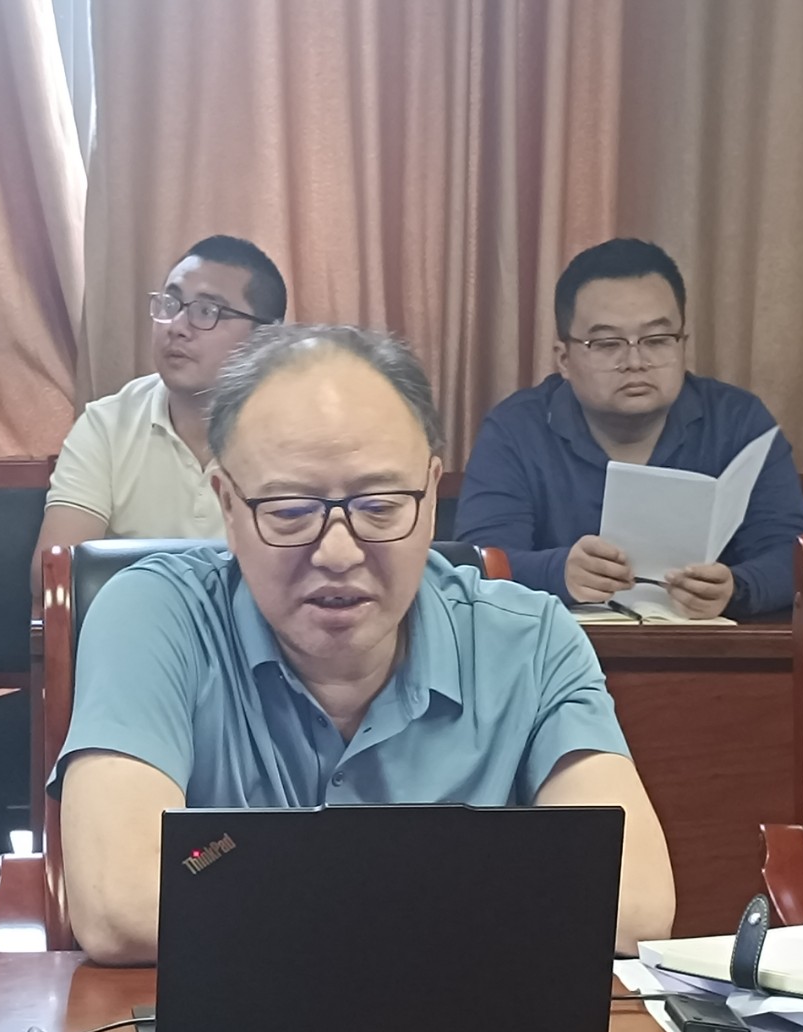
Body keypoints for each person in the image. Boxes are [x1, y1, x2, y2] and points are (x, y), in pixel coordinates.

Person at [51, 324, 676, 966]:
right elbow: (121, 905)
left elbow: (634, 905)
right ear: (228, 506)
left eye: (380, 506)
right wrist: (478, 897)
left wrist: (250, 899)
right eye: (290, 510)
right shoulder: (153, 616)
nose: (338, 553)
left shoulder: (531, 642)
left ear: (429, 497)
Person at [0, 235, 287, 949]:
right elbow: (57, 573)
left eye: (207, 311)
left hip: (259, 696)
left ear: (266, 338)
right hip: (113, 698)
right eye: (170, 304)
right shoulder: (110, 423)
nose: (177, 326)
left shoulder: (293, 433)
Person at [455, 239, 803, 619]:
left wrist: (736, 587)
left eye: (657, 340)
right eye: (607, 343)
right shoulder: (515, 430)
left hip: (707, 646)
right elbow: (475, 564)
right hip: (557, 647)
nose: (635, 361)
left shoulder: (738, 421)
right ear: (564, 358)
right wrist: (557, 572)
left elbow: (796, 557)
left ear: (683, 345)